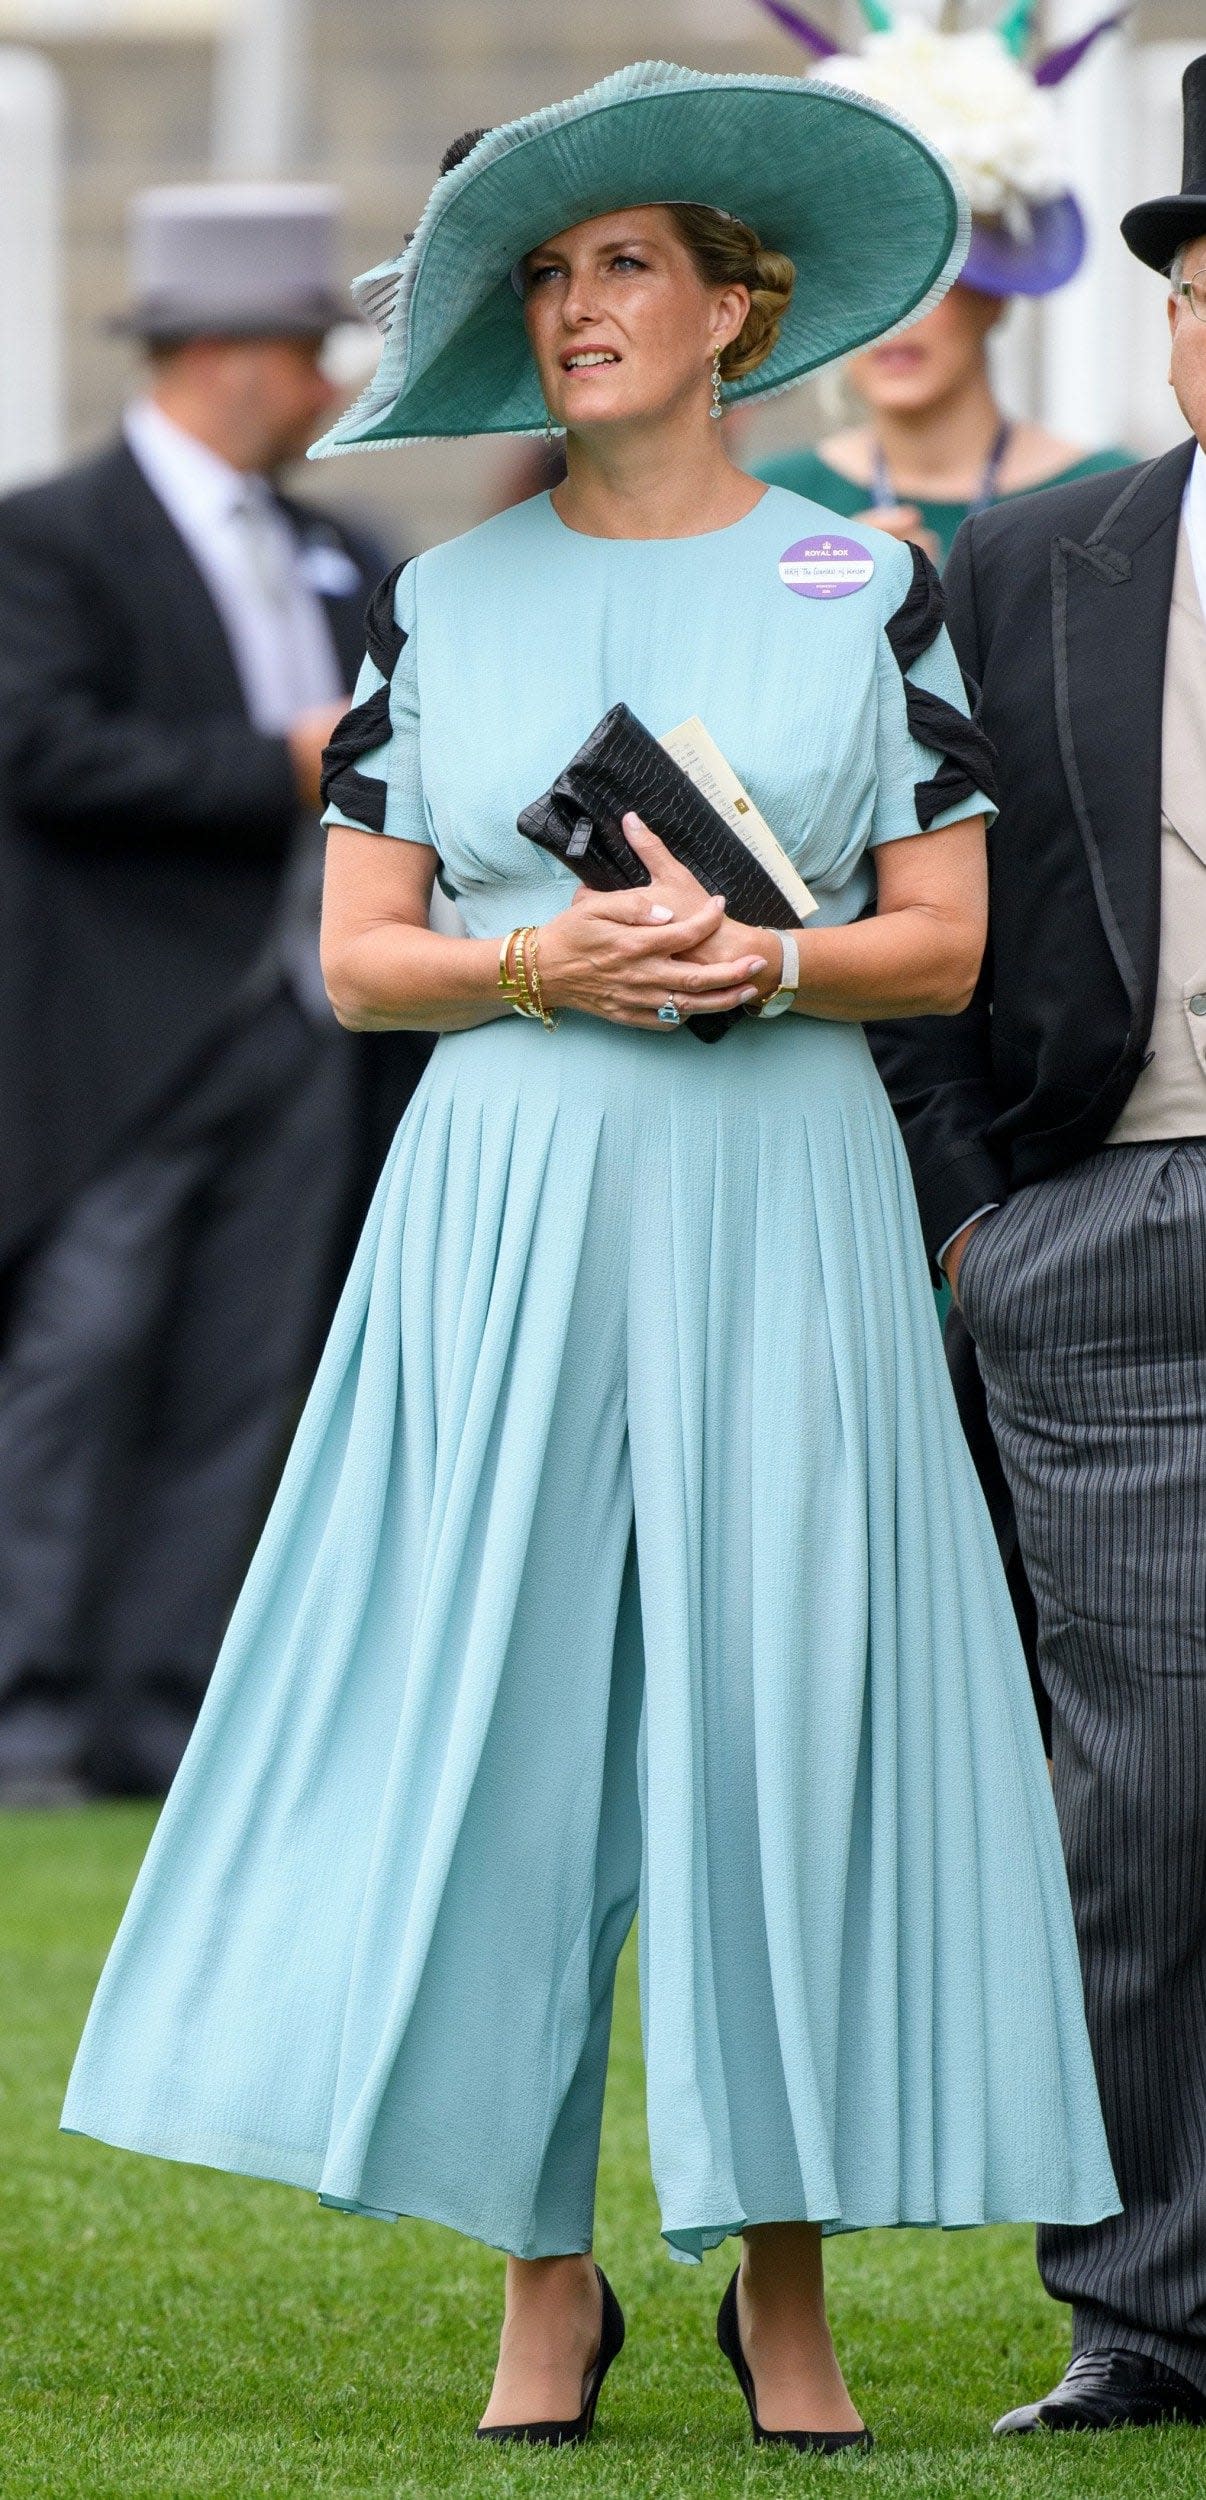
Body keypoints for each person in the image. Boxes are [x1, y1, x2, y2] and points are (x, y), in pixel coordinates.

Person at [61, 61, 1117, 2453]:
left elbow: (941, 942)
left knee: (783, 1717)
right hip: (509, 1196)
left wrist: (765, 964)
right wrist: (543, 968)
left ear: (737, 304)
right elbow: (361, 958)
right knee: (506, 1726)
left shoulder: (865, 577)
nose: (572, 310)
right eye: (540, 278)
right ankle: (544, 2286)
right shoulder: (448, 592)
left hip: (782, 1196)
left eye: (616, 264)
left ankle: (785, 2285)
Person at [868, 50, 1206, 2439]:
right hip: (1106, 1233)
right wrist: (980, 1220)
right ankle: (1154, 2312)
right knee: (1146, 1790)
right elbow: (916, 918)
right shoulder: (1027, 561)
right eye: (1202, 289)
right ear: (1169, 327)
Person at [0, 183, 431, 1804]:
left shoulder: (346, 555)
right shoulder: (47, 540)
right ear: (231, 357)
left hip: (310, 1026)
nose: (329, 388)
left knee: (248, 1375)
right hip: (121, 1037)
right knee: (84, 1359)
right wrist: (279, 763)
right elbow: (43, 752)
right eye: (311, 353)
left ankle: (169, 1705)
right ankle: (30, 1707)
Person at [750, 2, 1130, 562]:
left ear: (996, 296)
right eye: (866, 277)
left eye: (931, 279)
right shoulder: (772, 501)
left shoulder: (1114, 497)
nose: (895, 315)